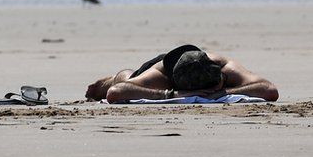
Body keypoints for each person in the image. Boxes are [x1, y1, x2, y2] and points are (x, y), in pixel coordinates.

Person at [85, 44, 279, 103]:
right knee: (127, 78)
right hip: (164, 65)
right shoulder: (162, 77)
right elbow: (116, 93)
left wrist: (224, 93)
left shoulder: (225, 66)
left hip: (192, 58)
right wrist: (171, 94)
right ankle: (108, 78)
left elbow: (269, 90)